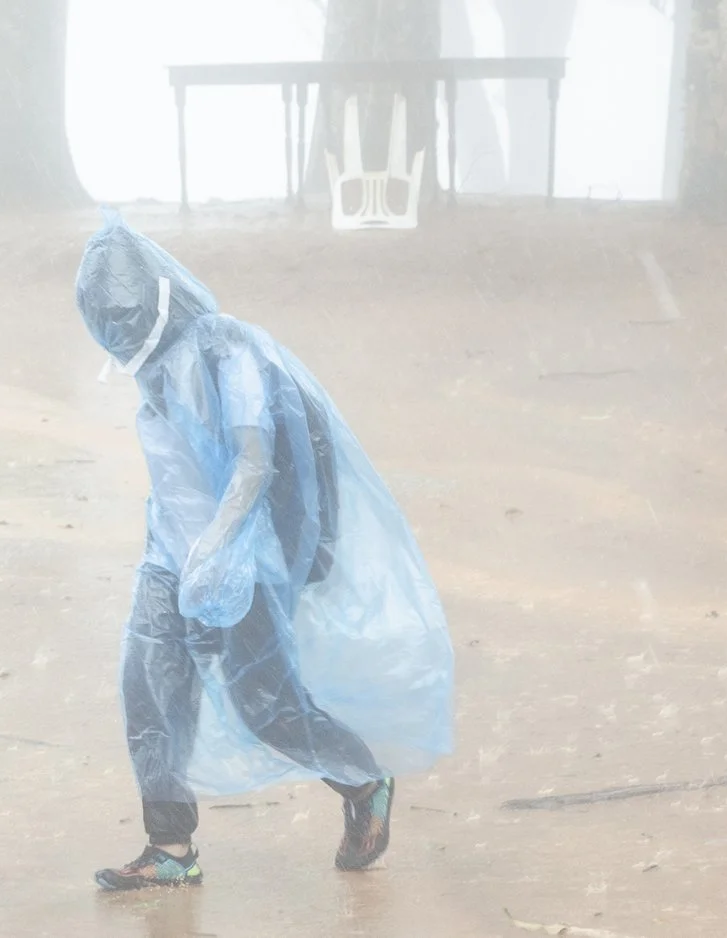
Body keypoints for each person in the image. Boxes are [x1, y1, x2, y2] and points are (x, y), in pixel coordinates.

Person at [74, 212, 455, 890]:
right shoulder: (152, 368)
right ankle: (171, 848)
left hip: (243, 560)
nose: (120, 330)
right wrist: (178, 555)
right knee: (150, 696)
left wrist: (219, 549)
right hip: (168, 558)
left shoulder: (229, 349)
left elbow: (256, 461)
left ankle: (362, 780)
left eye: (125, 314)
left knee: (265, 703)